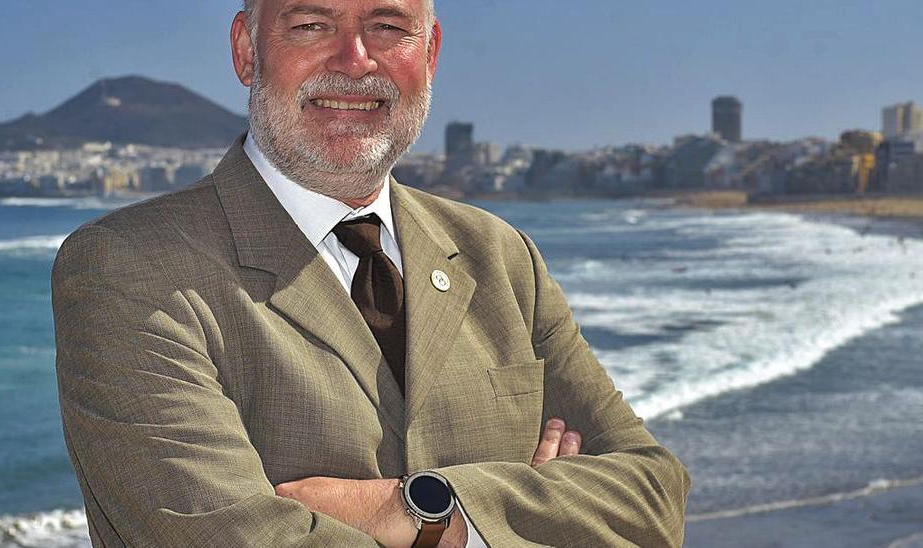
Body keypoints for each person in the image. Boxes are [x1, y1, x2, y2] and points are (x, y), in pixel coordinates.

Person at [51, 0, 691, 546]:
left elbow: (654, 497)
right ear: (247, 50)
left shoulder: (500, 256)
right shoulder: (127, 268)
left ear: (430, 52)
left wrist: (421, 513)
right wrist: (534, 514)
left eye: (388, 26)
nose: (354, 60)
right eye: (312, 24)